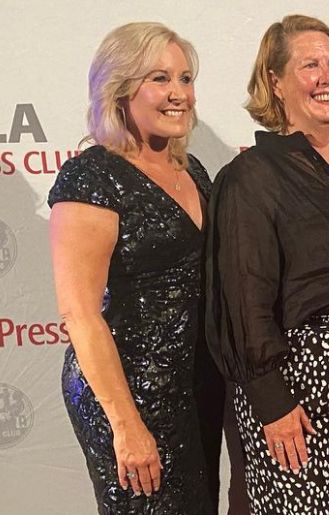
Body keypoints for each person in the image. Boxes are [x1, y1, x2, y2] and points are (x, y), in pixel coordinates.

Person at [206, 14, 329, 515]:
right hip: (299, 377)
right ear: (274, 82)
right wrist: (270, 399)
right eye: (309, 65)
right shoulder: (250, 176)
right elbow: (243, 292)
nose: (327, 76)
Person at [48, 22, 220, 513]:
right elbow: (79, 313)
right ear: (120, 89)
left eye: (185, 79)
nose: (179, 94)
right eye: (160, 79)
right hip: (128, 394)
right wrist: (125, 422)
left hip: (192, 384)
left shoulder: (193, 171)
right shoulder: (92, 175)